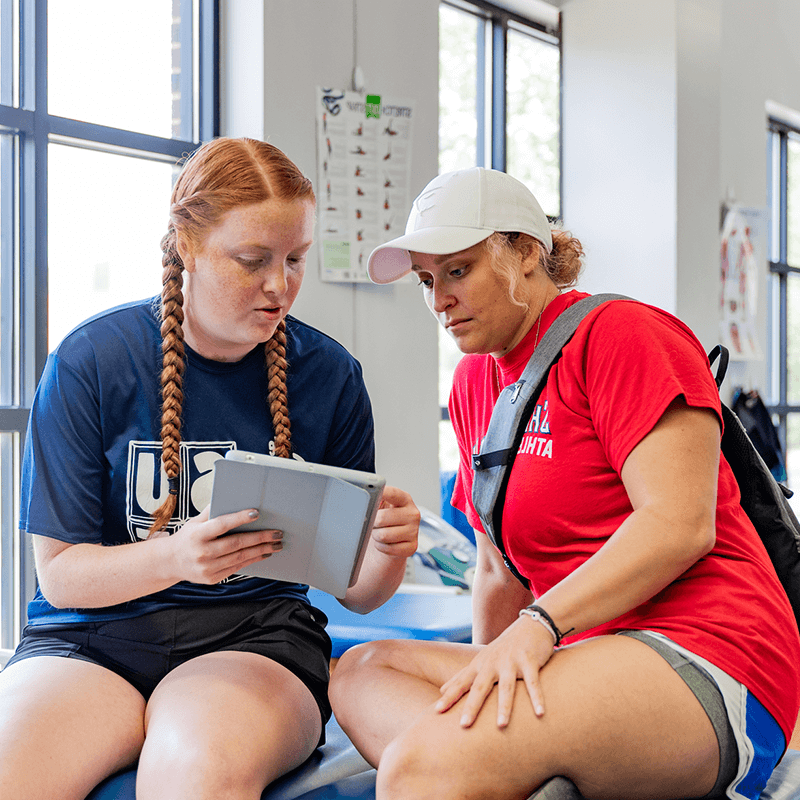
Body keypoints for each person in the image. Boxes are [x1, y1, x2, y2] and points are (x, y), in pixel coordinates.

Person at [329, 166, 800, 800]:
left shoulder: (625, 336)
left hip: (707, 650)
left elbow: (679, 524)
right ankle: (520, 772)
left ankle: (489, 769)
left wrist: (539, 624)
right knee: (362, 671)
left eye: (458, 271)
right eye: (426, 280)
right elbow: (498, 572)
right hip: (575, 654)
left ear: (526, 252)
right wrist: (489, 670)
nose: (438, 298)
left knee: (424, 766)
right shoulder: (475, 385)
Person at [0, 137, 419, 800]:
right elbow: (61, 578)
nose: (279, 285)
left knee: (192, 771)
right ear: (187, 246)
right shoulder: (93, 361)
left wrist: (389, 553)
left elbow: (357, 591)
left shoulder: (330, 376)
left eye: (295, 259)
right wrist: (174, 559)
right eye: (252, 260)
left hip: (256, 640)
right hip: (90, 642)